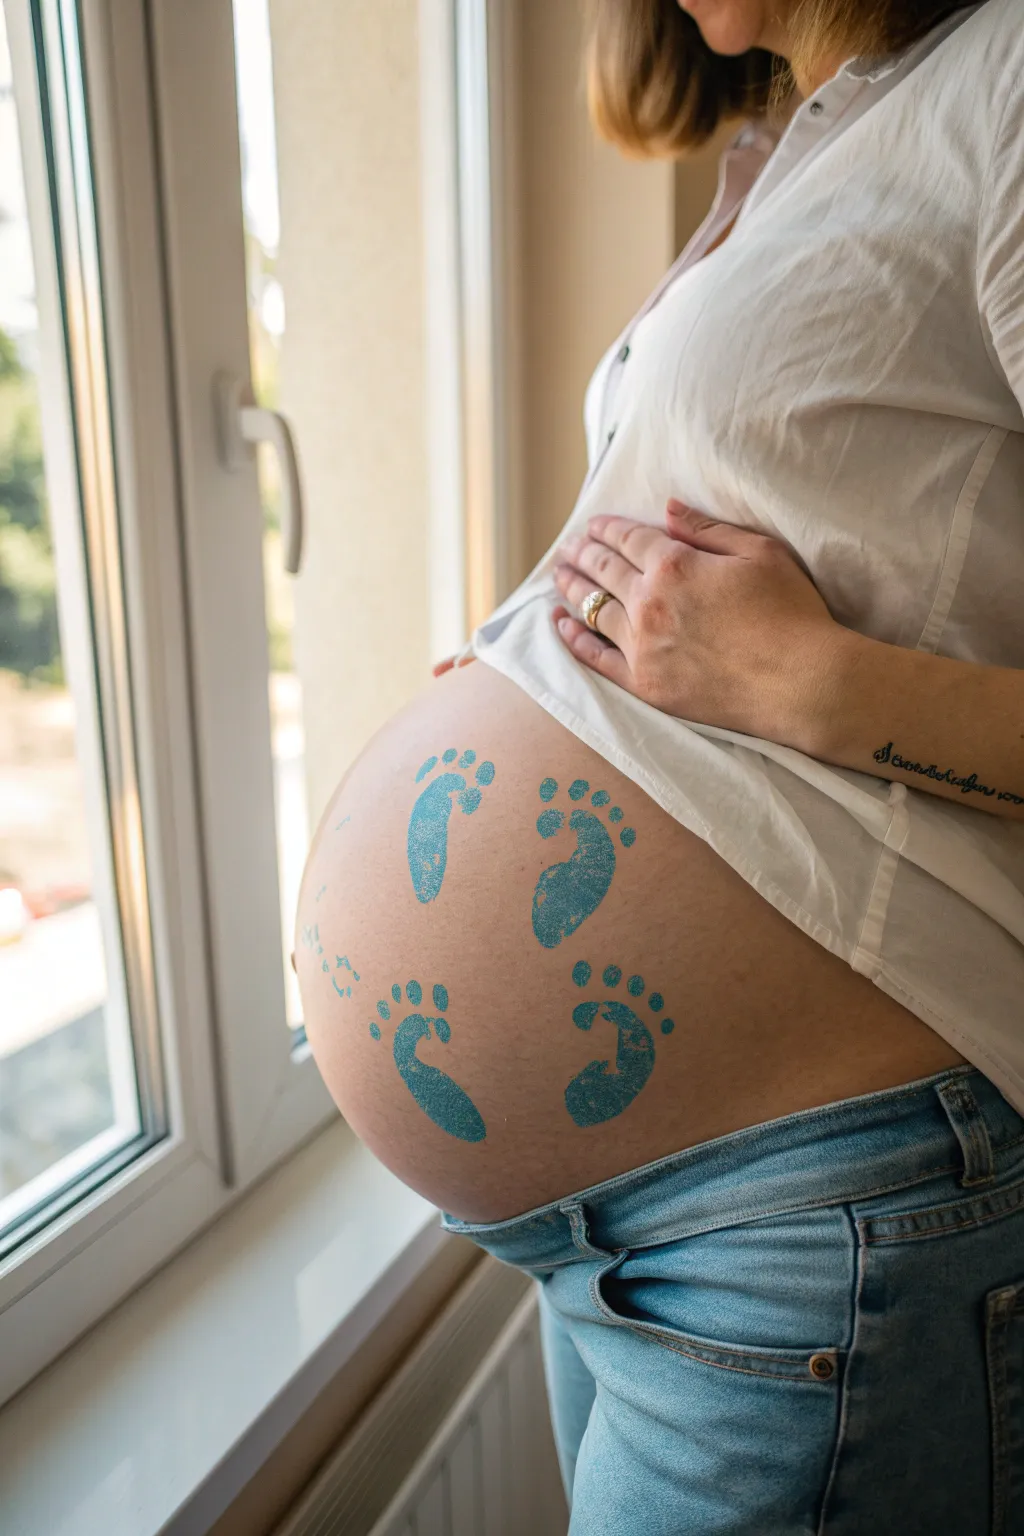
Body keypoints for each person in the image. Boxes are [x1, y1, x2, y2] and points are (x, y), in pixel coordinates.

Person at [294, 1, 1024, 1528]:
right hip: (635, 1213)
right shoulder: (807, 141)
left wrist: (819, 685)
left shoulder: (1008, 76)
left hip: (810, 1200)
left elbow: (782, 627)